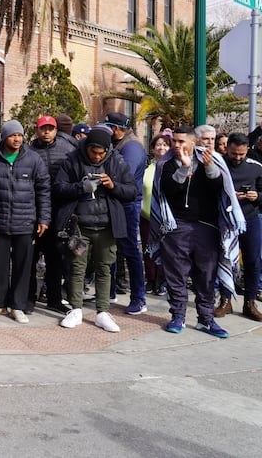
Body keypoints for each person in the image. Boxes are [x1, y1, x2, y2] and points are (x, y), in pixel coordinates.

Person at [150, 126, 244, 338]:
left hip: (206, 227)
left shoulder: (212, 160)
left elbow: (220, 188)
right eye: (174, 141)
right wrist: (183, 169)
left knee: (206, 276)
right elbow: (168, 190)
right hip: (176, 227)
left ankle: (206, 319)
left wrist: (210, 168)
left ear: (194, 143)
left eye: (181, 142)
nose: (176, 145)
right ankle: (178, 316)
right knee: (176, 275)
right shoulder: (165, 163)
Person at [54, 127, 136, 332]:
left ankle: (103, 312)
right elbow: (58, 188)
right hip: (79, 226)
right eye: (94, 152)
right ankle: (75, 309)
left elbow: (132, 191)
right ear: (87, 147)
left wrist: (113, 185)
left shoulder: (116, 161)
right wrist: (81, 187)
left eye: (101, 153)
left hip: (108, 227)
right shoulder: (73, 160)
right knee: (77, 267)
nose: (97, 156)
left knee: (104, 267)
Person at [0, 120, 51, 324]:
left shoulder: (34, 160)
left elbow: (43, 191)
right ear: (5, 137)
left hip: (26, 223)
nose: (17, 139)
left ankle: (17, 305)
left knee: (23, 266)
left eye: (20, 135)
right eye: (13, 135)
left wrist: (44, 218)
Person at [28, 115, 76, 314]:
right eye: (43, 128)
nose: (47, 132)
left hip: (58, 213)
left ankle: (54, 298)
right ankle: (28, 298)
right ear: (37, 130)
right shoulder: (28, 152)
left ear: (56, 130)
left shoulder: (68, 151)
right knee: (29, 258)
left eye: (51, 128)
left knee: (55, 257)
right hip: (34, 212)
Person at [104, 112, 147, 315]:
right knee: (110, 249)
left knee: (129, 251)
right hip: (115, 201)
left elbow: (124, 175)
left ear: (115, 129)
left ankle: (139, 298)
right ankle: (109, 292)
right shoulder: (121, 144)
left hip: (128, 204)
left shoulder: (131, 147)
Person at [218, 132, 262, 321]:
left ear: (247, 151)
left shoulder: (256, 167)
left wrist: (257, 196)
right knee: (225, 259)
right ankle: (225, 300)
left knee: (253, 261)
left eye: (241, 155)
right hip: (225, 220)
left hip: (250, 218)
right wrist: (228, 196)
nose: (237, 158)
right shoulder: (219, 165)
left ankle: (250, 302)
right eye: (234, 153)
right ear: (227, 148)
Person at [140, 134, 171, 296]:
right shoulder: (147, 168)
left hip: (166, 218)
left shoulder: (173, 167)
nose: (162, 148)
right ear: (152, 149)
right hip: (146, 216)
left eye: (165, 145)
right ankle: (151, 280)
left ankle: (163, 281)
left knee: (165, 251)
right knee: (148, 250)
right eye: (158, 145)